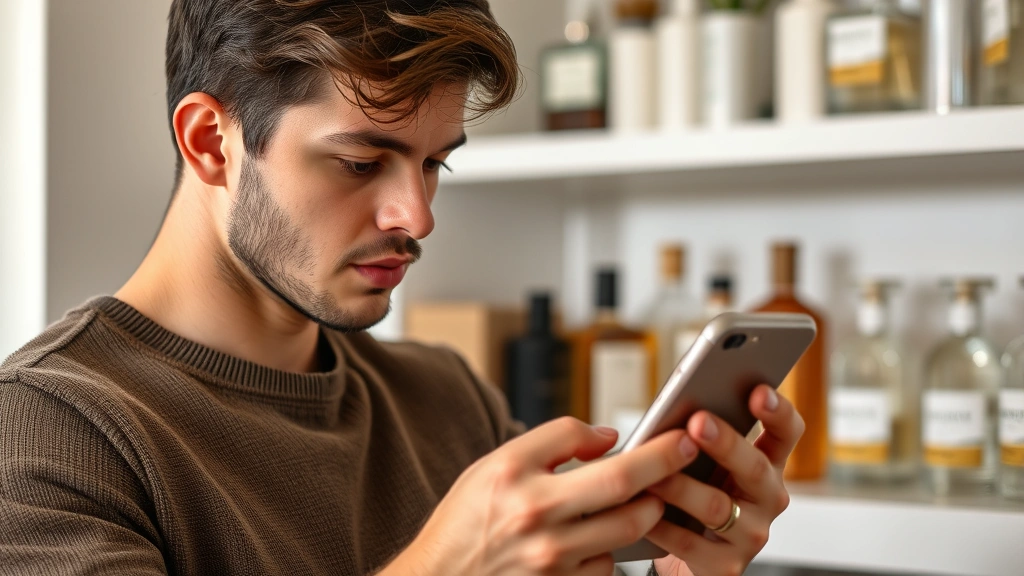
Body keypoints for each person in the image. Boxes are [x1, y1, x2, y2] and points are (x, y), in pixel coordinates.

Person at [0, 1, 804, 574]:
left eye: (433, 163)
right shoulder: (47, 434)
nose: (416, 216)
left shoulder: (449, 402)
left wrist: (686, 569)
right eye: (360, 162)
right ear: (212, 141)